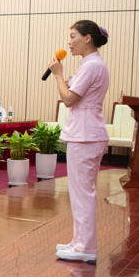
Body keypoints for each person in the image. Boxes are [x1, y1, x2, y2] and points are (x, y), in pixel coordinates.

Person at [49, 20, 110, 263]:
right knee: (80, 192)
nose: (69, 42)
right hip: (86, 133)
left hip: (86, 135)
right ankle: (79, 242)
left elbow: (68, 99)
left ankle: (85, 247)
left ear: (88, 38)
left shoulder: (92, 65)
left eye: (73, 36)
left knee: (83, 193)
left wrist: (59, 75)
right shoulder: (91, 64)